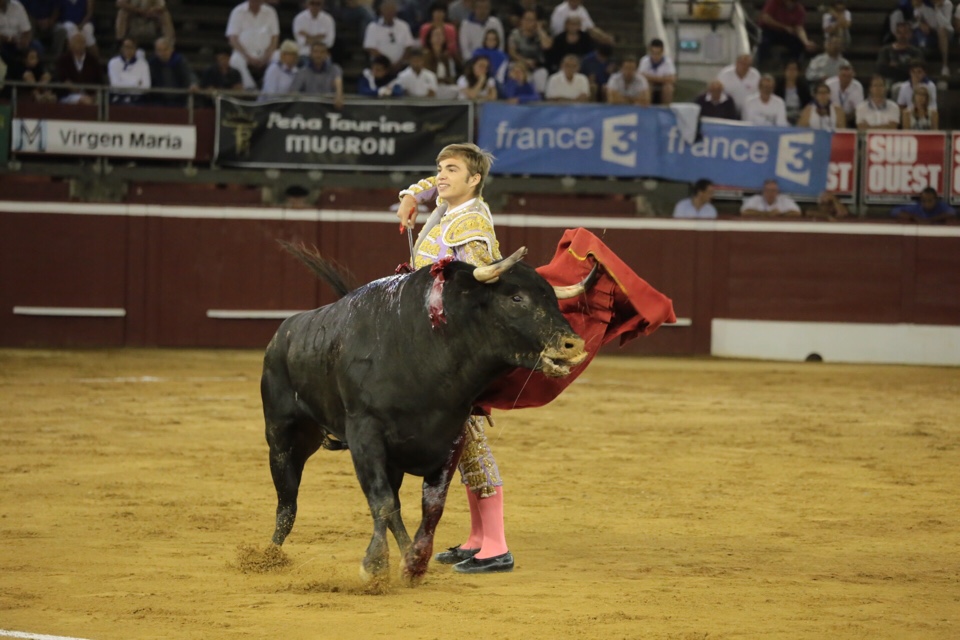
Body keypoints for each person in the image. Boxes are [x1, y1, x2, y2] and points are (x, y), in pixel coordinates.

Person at [395, 142, 515, 575]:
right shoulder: (452, 205)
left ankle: (497, 545)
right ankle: (479, 538)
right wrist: (413, 195)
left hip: (458, 351)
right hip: (437, 347)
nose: (440, 176)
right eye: (439, 168)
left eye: (451, 170)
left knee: (470, 441)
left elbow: (484, 286)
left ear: (474, 179)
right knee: (459, 445)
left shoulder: (472, 223)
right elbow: (430, 185)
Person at [226, 0, 280, 90]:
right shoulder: (237, 11)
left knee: (278, 57)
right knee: (235, 60)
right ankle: (250, 87)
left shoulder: (270, 11)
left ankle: (269, 88)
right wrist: (247, 57)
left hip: (266, 52)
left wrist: (268, 54)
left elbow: (275, 37)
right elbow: (233, 38)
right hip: (245, 53)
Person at [755, 0, 817, 66]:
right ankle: (761, 65)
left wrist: (806, 42)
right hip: (768, 30)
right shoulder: (774, 2)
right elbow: (765, 18)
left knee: (798, 44)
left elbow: (799, 28)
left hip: (784, 33)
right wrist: (784, 26)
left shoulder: (799, 9)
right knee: (763, 42)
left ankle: (791, 65)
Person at [363, 0, 415, 73]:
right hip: (380, 68)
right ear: (381, 11)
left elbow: (408, 47)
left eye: (392, 11)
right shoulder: (373, 27)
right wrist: (386, 64)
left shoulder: (403, 26)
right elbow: (371, 48)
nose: (389, 13)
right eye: (387, 11)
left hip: (401, 67)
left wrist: (399, 63)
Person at [507, 8, 551, 93]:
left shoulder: (540, 34)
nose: (528, 22)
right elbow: (512, 52)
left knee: (542, 75)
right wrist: (525, 61)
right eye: (526, 19)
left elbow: (547, 45)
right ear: (522, 21)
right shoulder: (515, 34)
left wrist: (539, 29)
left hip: (537, 67)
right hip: (519, 64)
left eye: (531, 20)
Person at [290, 40, 343, 105]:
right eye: (315, 52)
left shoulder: (334, 69)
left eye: (322, 52)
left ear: (327, 54)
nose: (318, 55)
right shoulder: (302, 72)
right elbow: (293, 93)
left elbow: (338, 84)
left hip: (329, 108)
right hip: (308, 108)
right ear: (310, 53)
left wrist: (338, 95)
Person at [55, 30, 102, 103]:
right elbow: (63, 79)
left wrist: (93, 94)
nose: (80, 45)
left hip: (91, 94)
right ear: (70, 44)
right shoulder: (63, 60)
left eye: (82, 42)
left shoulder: (93, 60)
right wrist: (78, 91)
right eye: (77, 42)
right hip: (68, 95)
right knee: (86, 101)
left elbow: (99, 80)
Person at [148, 36, 196, 105]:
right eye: (159, 50)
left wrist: (193, 83)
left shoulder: (179, 61)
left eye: (165, 49)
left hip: (178, 101)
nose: (162, 53)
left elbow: (189, 74)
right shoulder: (152, 63)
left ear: (172, 49)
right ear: (155, 52)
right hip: (158, 101)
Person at [878, 20, 923, 84]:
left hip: (911, 82)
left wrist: (896, 65)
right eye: (899, 33)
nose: (902, 36)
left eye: (905, 32)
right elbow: (881, 69)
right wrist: (906, 66)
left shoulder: (916, 52)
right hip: (890, 82)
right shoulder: (885, 50)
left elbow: (917, 69)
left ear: (910, 34)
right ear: (895, 34)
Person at [107, 36, 150, 103]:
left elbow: (146, 87)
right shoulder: (113, 63)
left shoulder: (143, 64)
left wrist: (124, 83)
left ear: (136, 49)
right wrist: (136, 83)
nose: (128, 50)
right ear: (121, 48)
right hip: (119, 98)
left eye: (131, 47)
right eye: (126, 47)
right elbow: (115, 86)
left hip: (138, 99)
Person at [548, 0, 612, 45]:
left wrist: (603, 36)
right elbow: (556, 29)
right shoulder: (559, 10)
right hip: (562, 40)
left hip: (580, 40)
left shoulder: (582, 10)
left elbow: (590, 27)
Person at [423, 23, 459, 98]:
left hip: (445, 87)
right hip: (429, 88)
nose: (438, 37)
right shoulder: (425, 56)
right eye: (436, 35)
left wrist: (446, 81)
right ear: (430, 39)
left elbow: (452, 76)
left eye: (440, 35)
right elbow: (425, 77)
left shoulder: (447, 57)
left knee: (459, 91)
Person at [638, 37, 675, 104]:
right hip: (650, 85)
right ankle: (647, 107)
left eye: (658, 53)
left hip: (663, 86)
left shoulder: (668, 61)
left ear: (662, 51)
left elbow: (672, 79)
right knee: (647, 86)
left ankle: (665, 109)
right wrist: (662, 79)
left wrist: (650, 77)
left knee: (668, 88)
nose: (655, 56)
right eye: (653, 53)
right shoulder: (644, 61)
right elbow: (641, 77)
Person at [825, 61, 863, 125]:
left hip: (850, 119)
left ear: (853, 75)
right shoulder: (829, 84)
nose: (845, 79)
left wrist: (844, 119)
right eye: (843, 76)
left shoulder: (857, 86)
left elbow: (858, 109)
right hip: (830, 116)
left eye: (848, 76)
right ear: (838, 75)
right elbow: (823, 103)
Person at [774, 59, 811, 125]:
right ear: (784, 71)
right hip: (783, 114)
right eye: (789, 69)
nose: (792, 72)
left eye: (794, 69)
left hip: (799, 114)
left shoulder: (803, 87)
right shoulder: (778, 86)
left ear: (798, 72)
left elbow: (808, 103)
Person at [891, 187, 956, 223]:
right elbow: (895, 211)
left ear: (936, 200)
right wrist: (914, 217)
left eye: (930, 201)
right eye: (924, 201)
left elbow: (952, 212)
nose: (927, 204)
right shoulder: (916, 207)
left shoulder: (941, 206)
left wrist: (931, 220)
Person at [1, 0, 32, 73]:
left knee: (35, 48)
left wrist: (25, 40)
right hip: (2, 42)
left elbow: (26, 29)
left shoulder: (18, 7)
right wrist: (8, 39)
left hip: (17, 41)